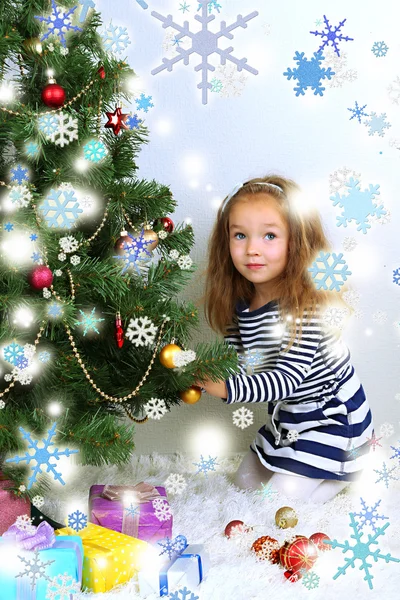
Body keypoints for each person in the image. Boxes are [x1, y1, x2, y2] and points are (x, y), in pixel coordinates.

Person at [195, 175, 373, 503]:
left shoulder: (306, 306)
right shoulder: (243, 303)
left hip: (331, 421)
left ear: (297, 241)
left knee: (274, 504)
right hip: (289, 420)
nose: (252, 249)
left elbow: (285, 381)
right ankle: (312, 469)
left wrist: (226, 389)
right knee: (245, 481)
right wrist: (199, 372)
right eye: (240, 235)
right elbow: (237, 361)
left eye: (269, 236)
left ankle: (348, 470)